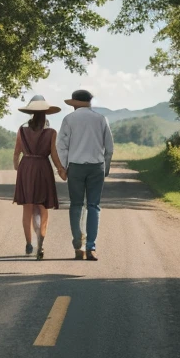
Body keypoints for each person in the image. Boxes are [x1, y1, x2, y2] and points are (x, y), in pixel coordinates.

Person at [56, 89, 114, 261]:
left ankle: (77, 244)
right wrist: (106, 168)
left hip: (75, 166)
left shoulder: (69, 120)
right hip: (96, 167)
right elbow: (109, 148)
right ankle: (91, 247)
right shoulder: (101, 119)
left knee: (76, 205)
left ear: (74, 104)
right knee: (94, 206)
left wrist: (63, 167)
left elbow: (62, 146)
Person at [13, 95, 67, 260]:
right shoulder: (51, 132)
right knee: (43, 208)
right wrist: (61, 169)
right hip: (43, 168)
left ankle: (29, 244)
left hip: (26, 167)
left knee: (27, 208)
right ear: (46, 114)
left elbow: (16, 154)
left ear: (31, 113)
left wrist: (19, 169)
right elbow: (54, 155)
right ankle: (41, 242)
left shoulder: (22, 131)